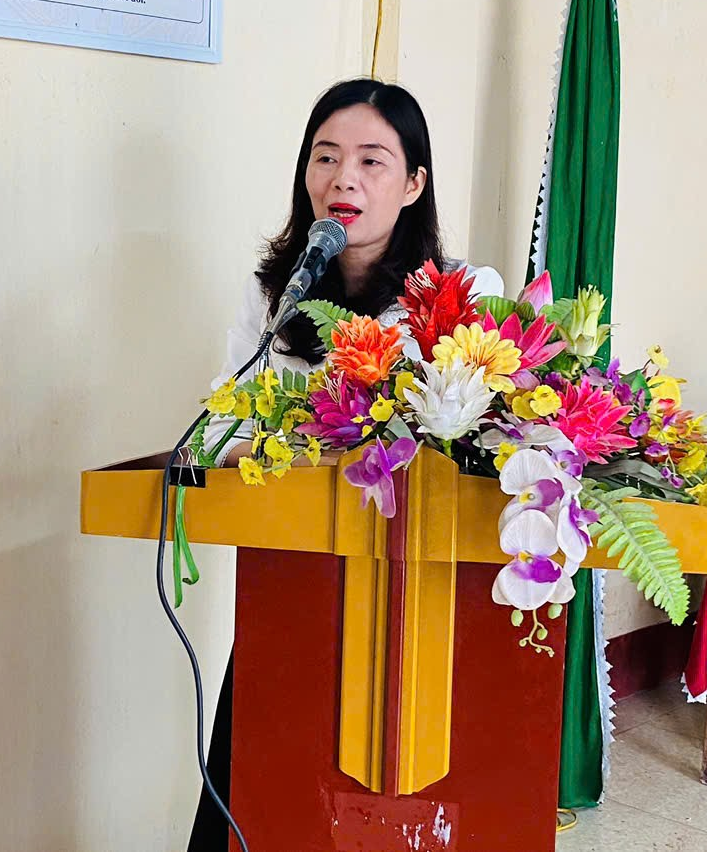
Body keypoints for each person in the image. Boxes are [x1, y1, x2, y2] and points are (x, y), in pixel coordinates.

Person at [187, 79, 503, 849]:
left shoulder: (465, 294)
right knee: (261, 790)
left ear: (414, 182)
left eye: (370, 160)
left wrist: (305, 438)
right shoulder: (276, 294)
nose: (343, 179)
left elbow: (474, 442)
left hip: (418, 595)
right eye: (325, 157)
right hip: (292, 578)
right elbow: (222, 428)